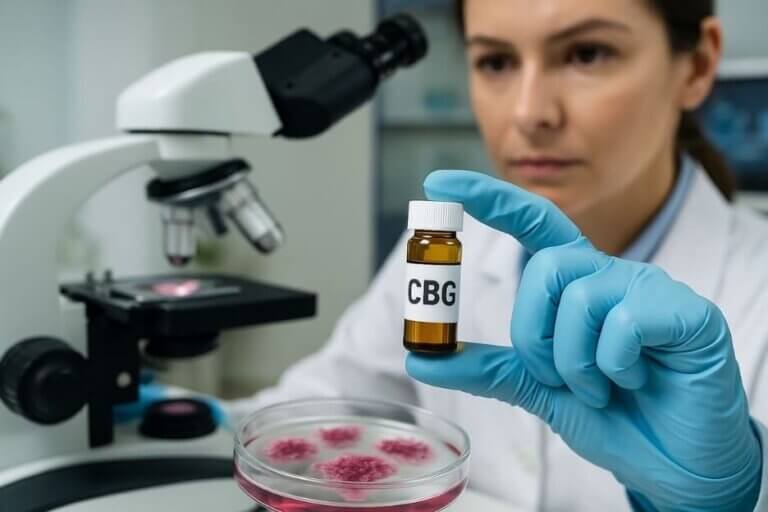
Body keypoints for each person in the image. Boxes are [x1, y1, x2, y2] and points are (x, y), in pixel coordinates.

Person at [228, 0, 768, 509]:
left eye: (587, 54)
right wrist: (175, 420)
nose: (530, 113)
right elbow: (320, 408)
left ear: (697, 66)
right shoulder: (447, 250)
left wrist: (737, 496)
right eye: (496, 61)